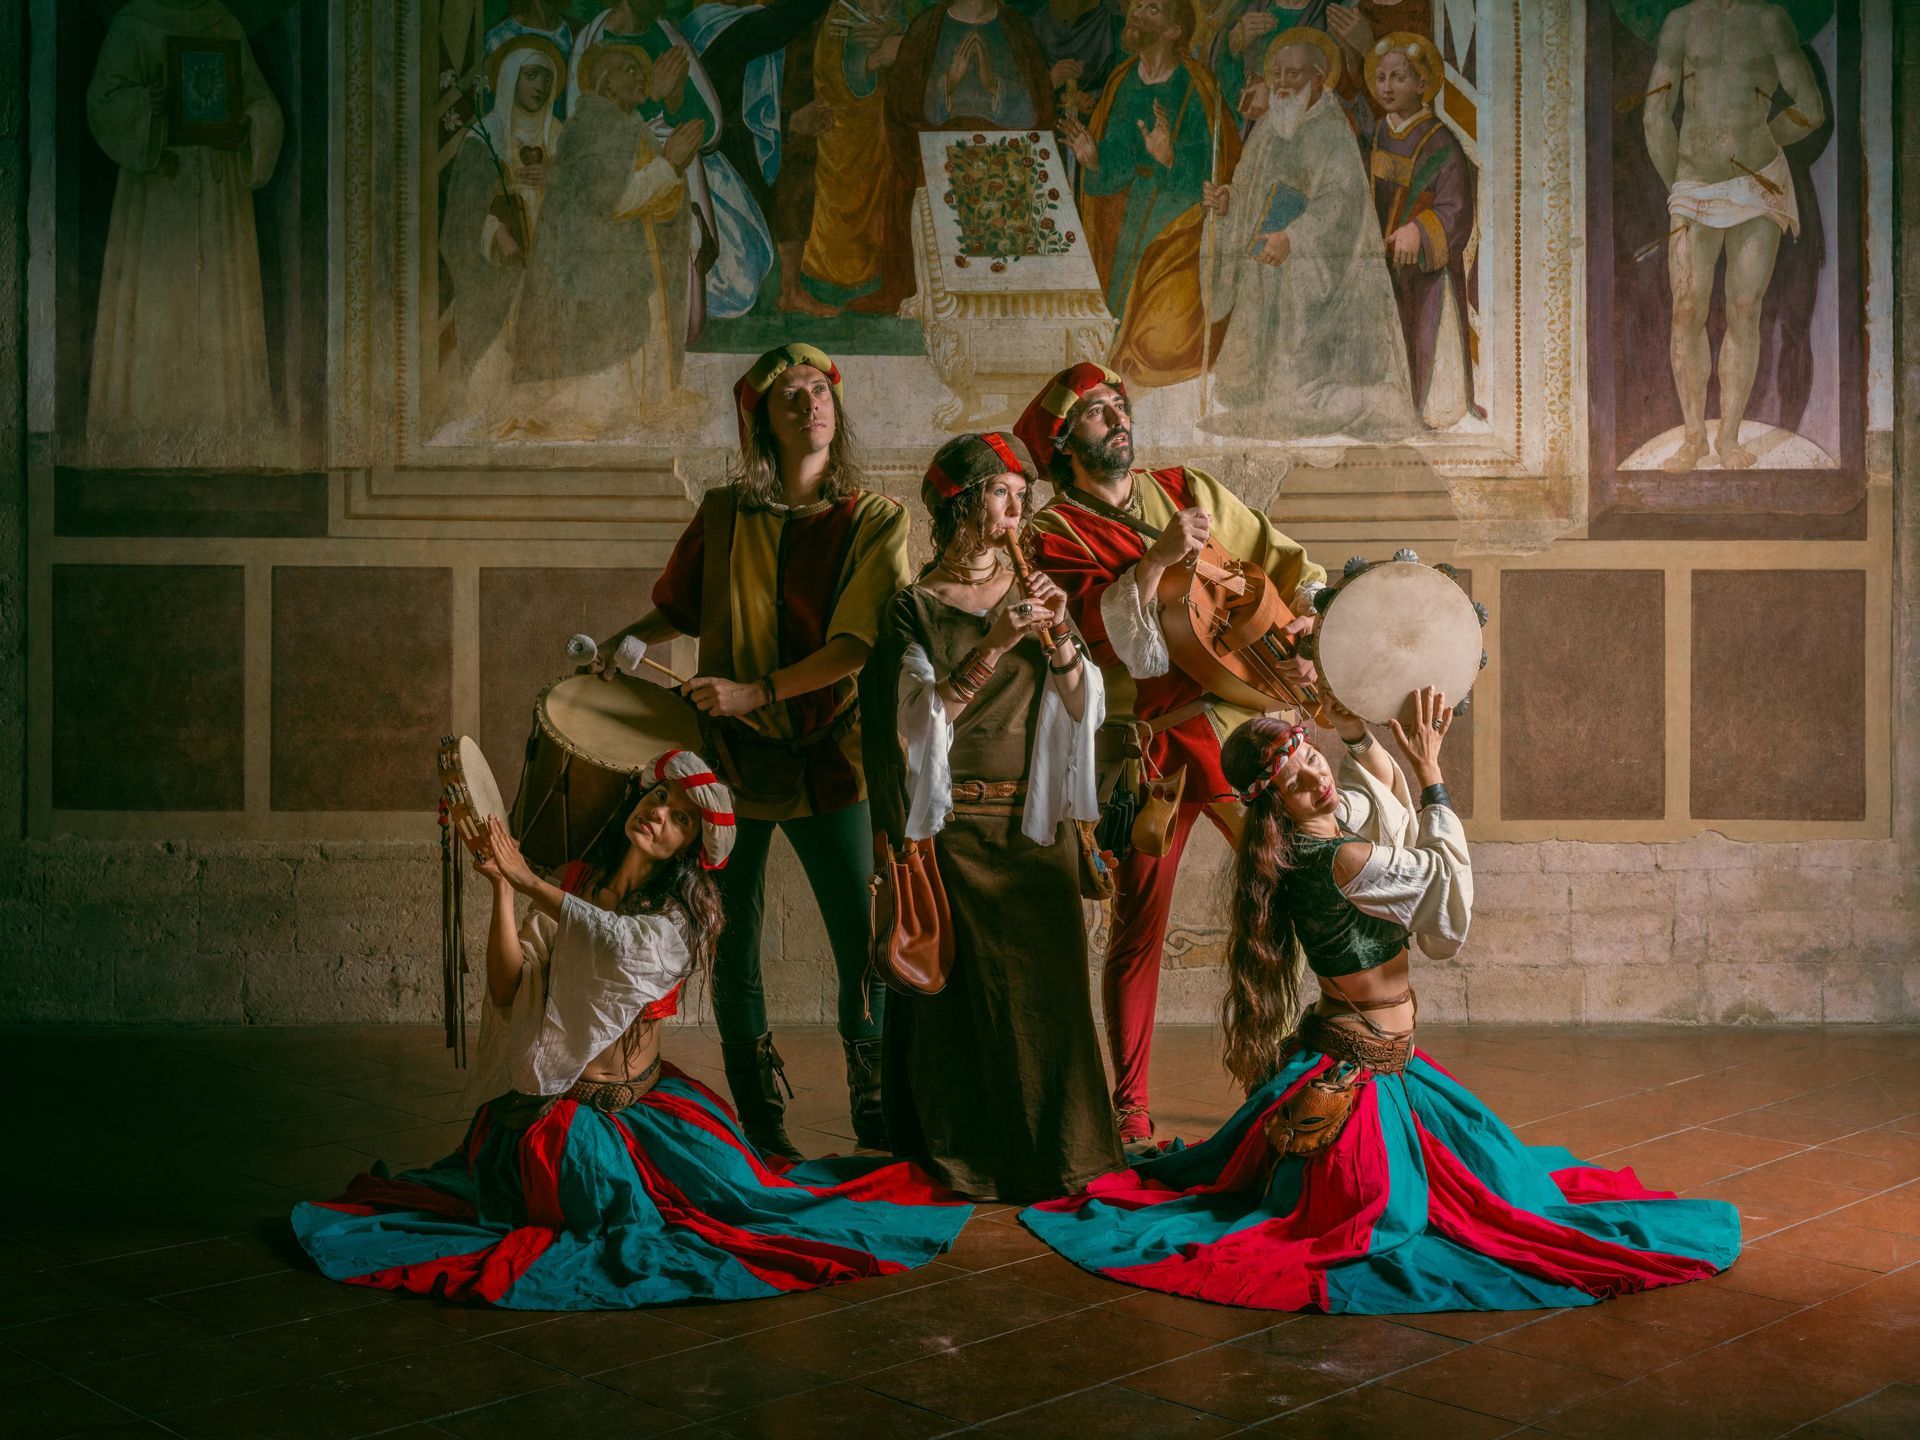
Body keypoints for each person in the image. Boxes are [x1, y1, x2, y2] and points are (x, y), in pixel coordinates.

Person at [1023, 696, 1743, 1310]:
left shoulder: (1328, 828)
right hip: (1357, 1076)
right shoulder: (1337, 858)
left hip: (1390, 1061)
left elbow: (1377, 804)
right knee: (1392, 1221)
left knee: (1505, 1177)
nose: (1316, 778)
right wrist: (1435, 778)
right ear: (1271, 805)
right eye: (1296, 779)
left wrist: (1363, 736)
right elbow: (1441, 894)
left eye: (1312, 757)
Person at [290, 752, 971, 1308]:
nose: (660, 815)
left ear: (689, 846)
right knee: (546, 1207)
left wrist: (528, 880)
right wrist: (502, 886)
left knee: (724, 1214)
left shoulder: (678, 917)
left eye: (679, 818)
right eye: (659, 800)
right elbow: (507, 986)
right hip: (555, 1109)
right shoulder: (579, 880)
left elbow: (618, 944)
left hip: (629, 1111)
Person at [598, 344, 911, 1161]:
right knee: (730, 943)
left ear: (835, 412)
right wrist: (625, 640)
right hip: (729, 770)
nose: (808, 403)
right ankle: (765, 1133)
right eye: (788, 396)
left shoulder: (875, 519)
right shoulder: (725, 510)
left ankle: (875, 1120)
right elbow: (680, 608)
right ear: (761, 425)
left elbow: (857, 643)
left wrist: (753, 691)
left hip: (831, 759)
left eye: (818, 390)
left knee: (865, 945)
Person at [1020, 362, 1326, 1152]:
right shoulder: (1048, 535)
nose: (1116, 420)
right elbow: (1103, 643)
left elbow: (1278, 561)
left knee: (1290, 886)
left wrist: (1302, 622)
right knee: (1137, 928)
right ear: (1063, 441)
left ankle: (1293, 1069)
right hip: (1145, 755)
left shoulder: (1185, 485)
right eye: (1095, 414)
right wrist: (1154, 560)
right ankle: (1129, 1106)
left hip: (1234, 735)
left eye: (1118, 407)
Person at [861, 433, 1124, 1201]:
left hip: (1032, 833)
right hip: (953, 837)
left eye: (1020, 494)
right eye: (1001, 493)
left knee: (1049, 1006)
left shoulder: (1038, 591)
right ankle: (961, 1160)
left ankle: (1061, 1156)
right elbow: (916, 724)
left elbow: (1086, 707)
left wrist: (1063, 646)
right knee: (959, 1015)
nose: (1017, 509)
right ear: (960, 504)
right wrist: (995, 646)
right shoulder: (914, 608)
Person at [85, 0, 284, 456]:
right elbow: (102, 100)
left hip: (218, 190)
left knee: (217, 299)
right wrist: (144, 104)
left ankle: (223, 428)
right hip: (158, 191)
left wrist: (247, 125)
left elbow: (261, 102)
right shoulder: (132, 23)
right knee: (159, 300)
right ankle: (149, 427)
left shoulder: (224, 23)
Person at [1203, 30, 1417, 438]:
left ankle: (1378, 401)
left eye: (1294, 74)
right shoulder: (1270, 127)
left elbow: (1337, 207)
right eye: (1277, 73)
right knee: (1243, 387)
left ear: (1319, 79)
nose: (1282, 83)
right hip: (1268, 265)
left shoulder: (1333, 133)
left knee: (1297, 401)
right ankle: (1267, 403)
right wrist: (1228, 201)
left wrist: (1294, 239)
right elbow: (1250, 187)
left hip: (1320, 283)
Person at [1643, 0, 1823, 471]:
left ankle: (1728, 437)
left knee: (1744, 308)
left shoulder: (1769, 19)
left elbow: (1810, 106)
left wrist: (1759, 142)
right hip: (1692, 185)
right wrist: (1678, 186)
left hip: (1755, 182)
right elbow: (1655, 114)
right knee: (1686, 308)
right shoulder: (1680, 22)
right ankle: (1692, 437)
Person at [499, 42, 705, 439]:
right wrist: (670, 162)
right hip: (593, 271)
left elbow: (644, 196)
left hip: (623, 264)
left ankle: (630, 409)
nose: (639, 77)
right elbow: (614, 200)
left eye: (640, 70)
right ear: (604, 82)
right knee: (598, 392)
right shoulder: (597, 124)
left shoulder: (624, 124)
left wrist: (670, 175)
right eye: (628, 69)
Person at [1060, 0, 1237, 387]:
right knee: (1106, 337)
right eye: (1135, 6)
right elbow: (1118, 156)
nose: (1136, 13)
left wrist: (1171, 157)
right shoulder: (1123, 78)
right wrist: (1095, 159)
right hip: (1126, 220)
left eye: (1151, 8)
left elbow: (1218, 166)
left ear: (1174, 31)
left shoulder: (1196, 84)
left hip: (1179, 231)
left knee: (1162, 348)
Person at [875, 0, 1058, 312]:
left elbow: (1038, 110)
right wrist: (949, 81)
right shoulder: (927, 27)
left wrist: (992, 84)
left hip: (1005, 153)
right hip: (935, 154)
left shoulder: (1015, 27)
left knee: (1016, 182)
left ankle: (1003, 295)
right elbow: (902, 107)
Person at [440, 36, 565, 399]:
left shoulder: (558, 135)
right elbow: (462, 216)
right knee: (497, 366)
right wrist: (497, 233)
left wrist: (557, 179)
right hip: (500, 268)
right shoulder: (485, 135)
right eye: (529, 76)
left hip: (548, 265)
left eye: (545, 78)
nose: (539, 86)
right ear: (510, 79)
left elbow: (585, 203)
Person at [1365, 32, 1479, 430]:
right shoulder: (1378, 133)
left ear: (1422, 84)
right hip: (1382, 263)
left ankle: (1432, 411)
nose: (1387, 86)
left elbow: (1457, 210)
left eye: (1398, 77)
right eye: (1380, 77)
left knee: (1426, 340)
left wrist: (1418, 230)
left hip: (1426, 272)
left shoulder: (1440, 140)